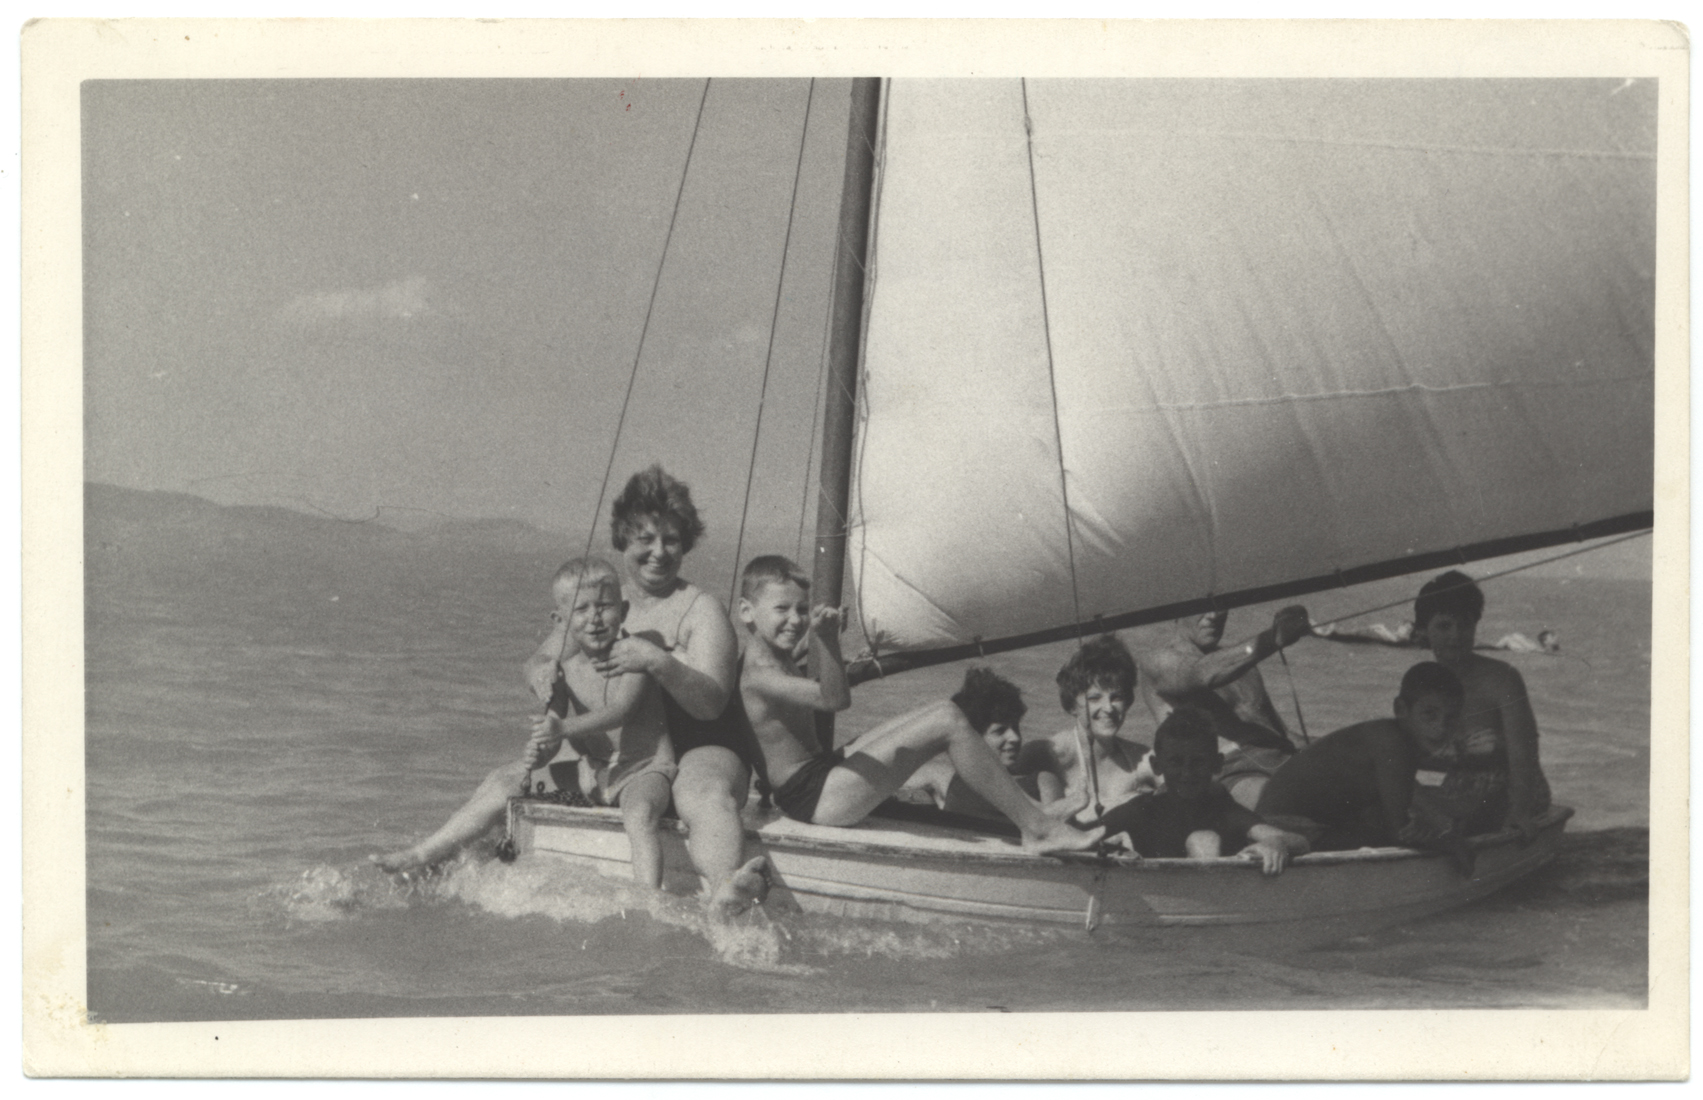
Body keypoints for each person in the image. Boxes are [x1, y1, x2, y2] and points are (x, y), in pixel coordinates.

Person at [736, 555, 1102, 854]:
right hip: (814, 798)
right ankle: (1037, 829)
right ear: (747, 612)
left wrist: (815, 638)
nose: (795, 620)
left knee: (940, 718)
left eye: (802, 609)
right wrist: (828, 641)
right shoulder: (759, 676)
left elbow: (794, 656)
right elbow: (835, 700)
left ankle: (1033, 812)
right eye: (782, 609)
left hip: (820, 773)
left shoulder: (775, 656)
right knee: (947, 719)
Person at [523, 467, 768, 915]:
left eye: (671, 540)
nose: (659, 552)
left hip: (704, 740)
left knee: (703, 795)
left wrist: (659, 662)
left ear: (685, 544)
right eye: (646, 540)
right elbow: (544, 657)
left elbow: (712, 705)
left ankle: (724, 892)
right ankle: (433, 860)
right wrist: (541, 669)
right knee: (515, 779)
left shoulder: (702, 610)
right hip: (633, 751)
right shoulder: (602, 601)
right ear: (623, 541)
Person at [370, 558, 675, 881]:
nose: (594, 618)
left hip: (644, 769)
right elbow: (551, 732)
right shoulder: (564, 670)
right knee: (505, 783)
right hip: (595, 772)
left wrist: (561, 729)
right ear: (560, 621)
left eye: (604, 606)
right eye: (581, 609)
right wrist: (541, 751)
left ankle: (646, 899)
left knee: (640, 814)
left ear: (623, 611)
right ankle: (424, 856)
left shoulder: (633, 657)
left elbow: (620, 710)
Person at [1255, 662, 1472, 867]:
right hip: (1287, 827)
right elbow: (1398, 831)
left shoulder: (1394, 736)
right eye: (1429, 715)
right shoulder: (1393, 744)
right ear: (1401, 709)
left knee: (1379, 817)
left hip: (1276, 822)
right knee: (1380, 829)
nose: (1441, 727)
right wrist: (1446, 841)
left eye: (1451, 718)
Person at [1413, 570, 1552, 839]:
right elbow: (1414, 755)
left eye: (1465, 625)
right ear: (1423, 630)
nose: (1456, 635)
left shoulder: (1502, 679)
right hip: (1461, 790)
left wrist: (1519, 811)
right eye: (1444, 626)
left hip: (1513, 792)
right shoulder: (1422, 686)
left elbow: (1524, 756)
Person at [1090, 706, 1309, 874]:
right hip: (1161, 901)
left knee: (1204, 839)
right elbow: (1088, 836)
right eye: (1176, 762)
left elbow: (1299, 841)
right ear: (1157, 766)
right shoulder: (1142, 809)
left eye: (1198, 762)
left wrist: (1276, 843)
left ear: (1217, 764)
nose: (1187, 773)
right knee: (1202, 839)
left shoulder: (1224, 811)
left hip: (1218, 901)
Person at [1133, 605, 1312, 810]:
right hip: (1228, 772)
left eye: (1221, 606)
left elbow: (1285, 734)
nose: (1213, 615)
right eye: (1203, 606)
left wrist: (1330, 747)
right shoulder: (1157, 661)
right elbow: (1201, 674)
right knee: (1289, 799)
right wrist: (1274, 638)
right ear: (1178, 605)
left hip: (1283, 758)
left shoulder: (1242, 663)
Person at [1020, 635, 1157, 819]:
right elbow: (995, 777)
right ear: (1072, 706)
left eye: (1116, 697)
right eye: (1094, 698)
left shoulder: (1139, 759)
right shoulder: (1051, 753)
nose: (1108, 708)